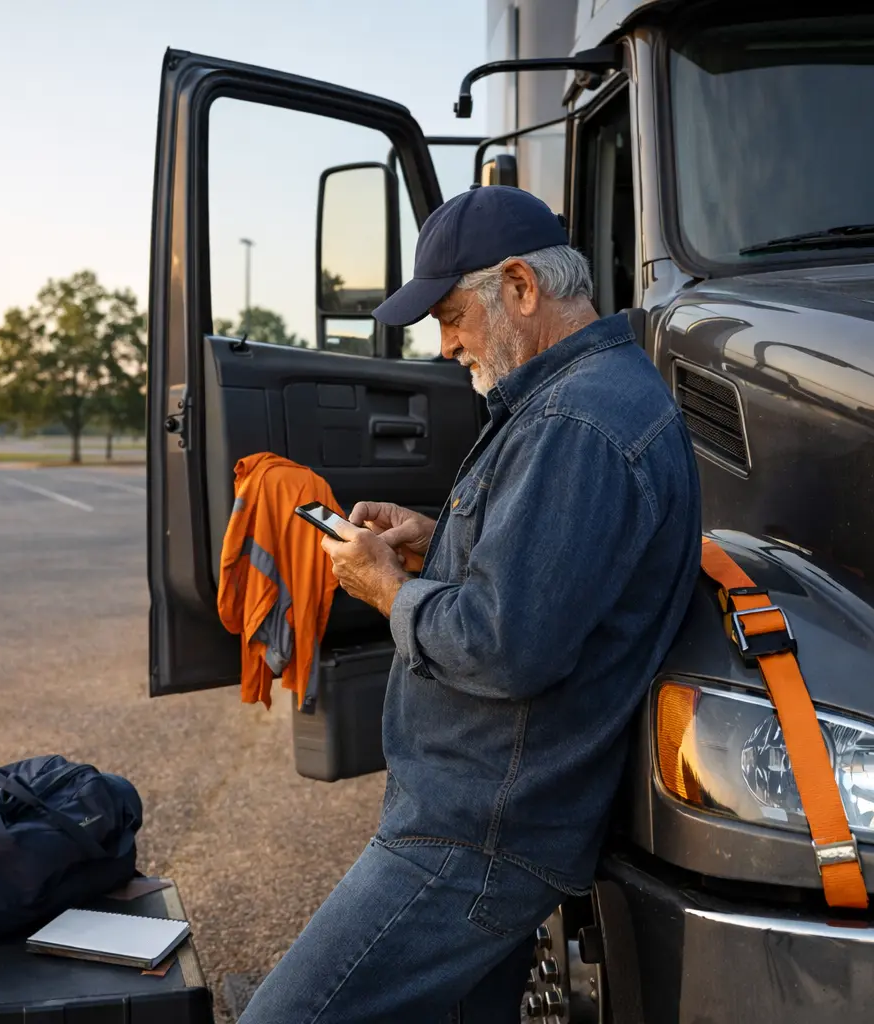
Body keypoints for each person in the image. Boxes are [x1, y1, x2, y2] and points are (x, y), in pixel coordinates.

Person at [238, 186, 703, 1023]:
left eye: (452, 316)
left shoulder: (578, 422)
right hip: (482, 818)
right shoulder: (578, 399)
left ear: (521, 287)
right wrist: (434, 544)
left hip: (476, 834)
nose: (446, 345)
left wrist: (384, 586)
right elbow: (542, 584)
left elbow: (505, 645)